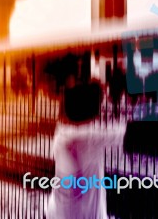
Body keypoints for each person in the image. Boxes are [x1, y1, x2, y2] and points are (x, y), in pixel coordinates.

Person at [46, 63, 123, 219]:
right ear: (93, 113)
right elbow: (128, 134)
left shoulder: (61, 133)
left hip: (57, 213)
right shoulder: (88, 137)